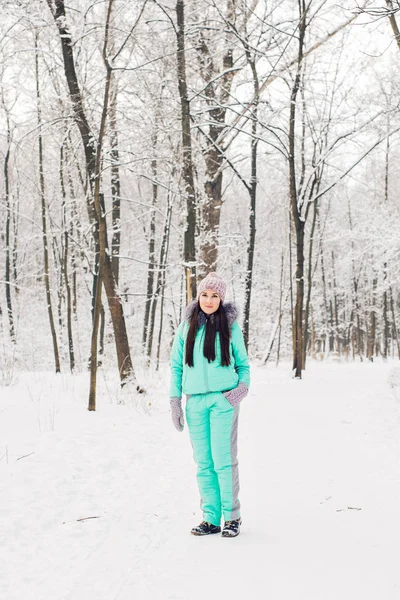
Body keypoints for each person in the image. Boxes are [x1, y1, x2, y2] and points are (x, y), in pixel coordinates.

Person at [169, 272, 250, 538]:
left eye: (215, 296)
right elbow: (176, 366)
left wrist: (237, 393)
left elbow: (243, 365)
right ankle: (211, 518)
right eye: (205, 294)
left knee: (223, 460)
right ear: (198, 296)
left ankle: (232, 517)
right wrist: (175, 401)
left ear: (221, 299)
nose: (209, 300)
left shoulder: (230, 327)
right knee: (203, 462)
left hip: (223, 401)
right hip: (195, 403)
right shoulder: (186, 327)